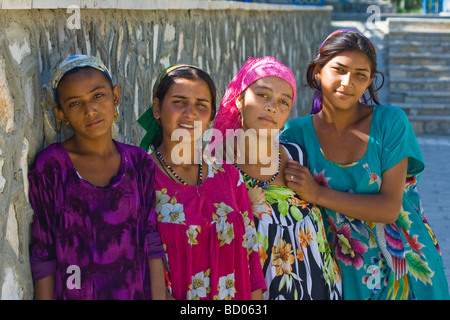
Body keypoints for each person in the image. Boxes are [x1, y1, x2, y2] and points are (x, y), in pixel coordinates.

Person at [281, 29, 450, 300]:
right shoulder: (294, 134)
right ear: (317, 72)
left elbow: (389, 208)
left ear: (371, 81)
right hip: (335, 270)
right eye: (339, 69)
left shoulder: (390, 123)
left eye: (361, 74)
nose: (348, 82)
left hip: (404, 268)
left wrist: (318, 194)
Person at [28, 55, 166, 300]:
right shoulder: (51, 166)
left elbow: (151, 242)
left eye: (97, 96)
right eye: (74, 103)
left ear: (115, 96)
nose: (90, 110)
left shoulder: (138, 163)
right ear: (61, 114)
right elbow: (43, 253)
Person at [213, 56, 342, 300]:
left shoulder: (298, 156)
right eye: (262, 95)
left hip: (319, 288)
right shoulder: (218, 169)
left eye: (284, 102)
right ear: (239, 99)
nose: (272, 107)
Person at [137, 64, 266, 300]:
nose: (190, 113)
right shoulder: (139, 179)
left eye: (201, 105)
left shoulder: (229, 176)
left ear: (210, 117)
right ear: (157, 108)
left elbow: (251, 261)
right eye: (179, 101)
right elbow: (137, 269)